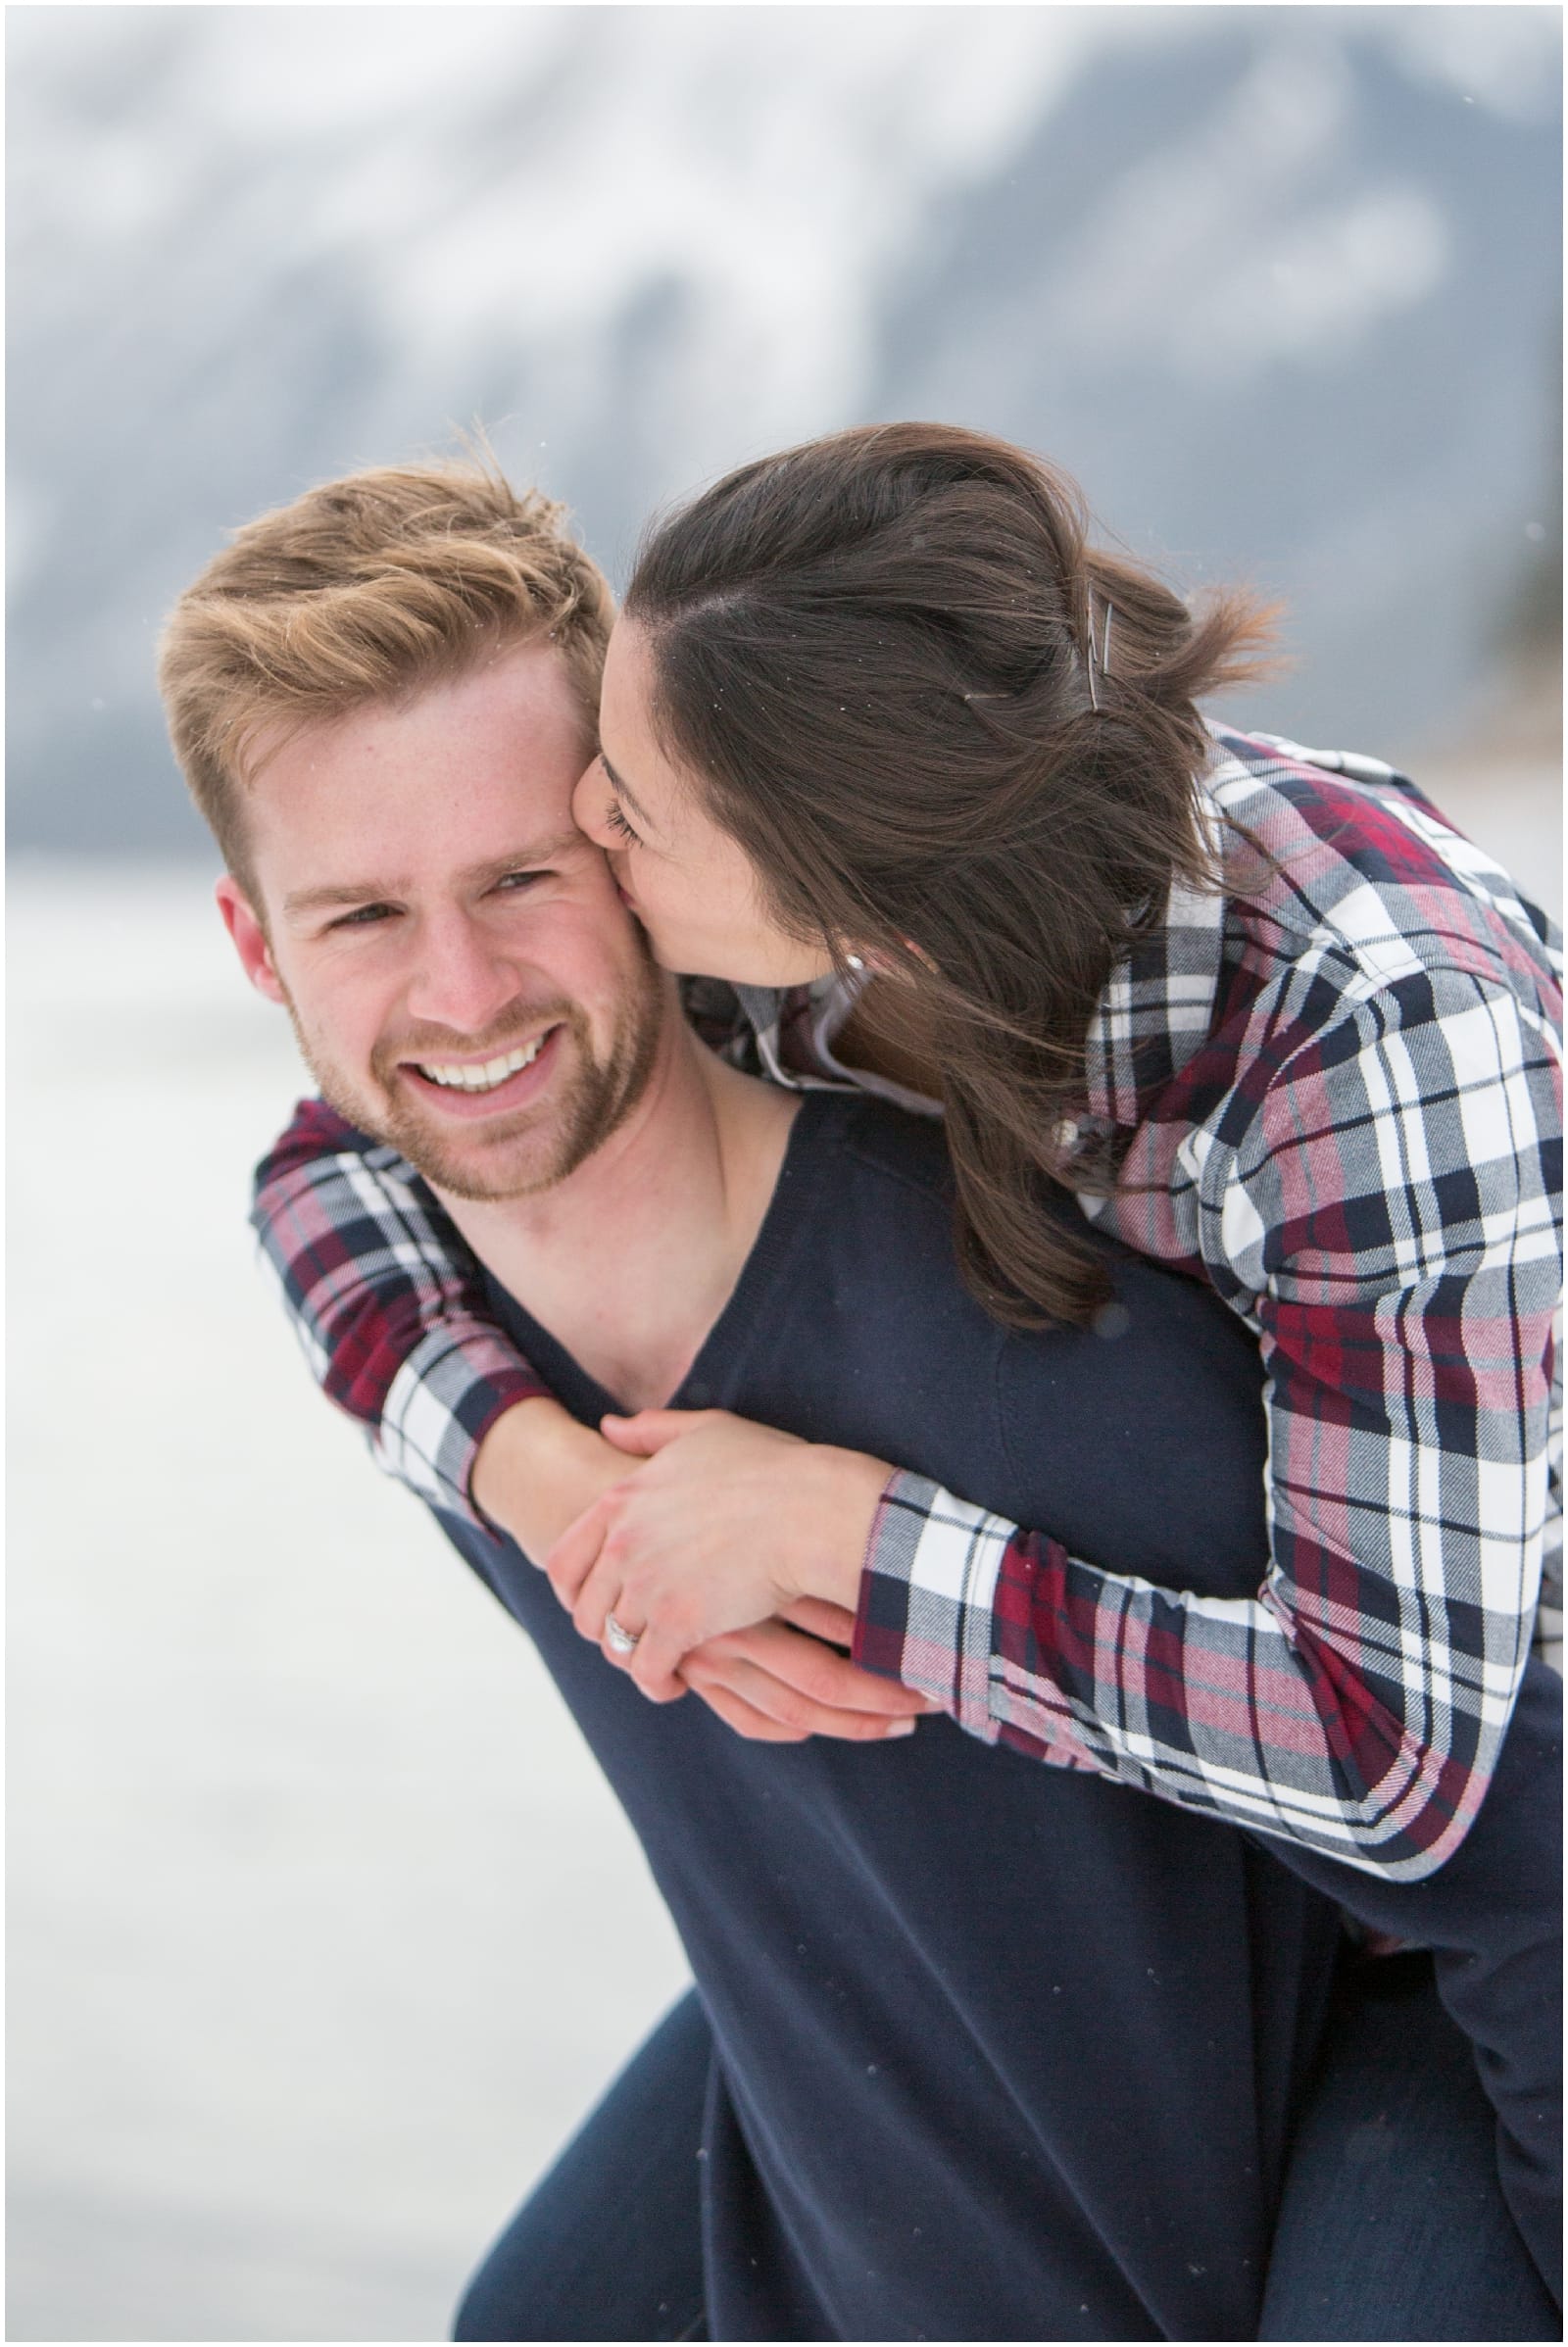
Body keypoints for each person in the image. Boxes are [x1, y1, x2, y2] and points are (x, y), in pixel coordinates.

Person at [161, 459, 1559, 2339]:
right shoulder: (773, 964)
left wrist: (850, 1541)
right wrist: (550, 1480)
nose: (487, 965)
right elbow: (330, 1166)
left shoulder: (1374, 1031)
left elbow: (1418, 1774)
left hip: (1470, 1806)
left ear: (829, 889)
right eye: (362, 918)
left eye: (586, 843)